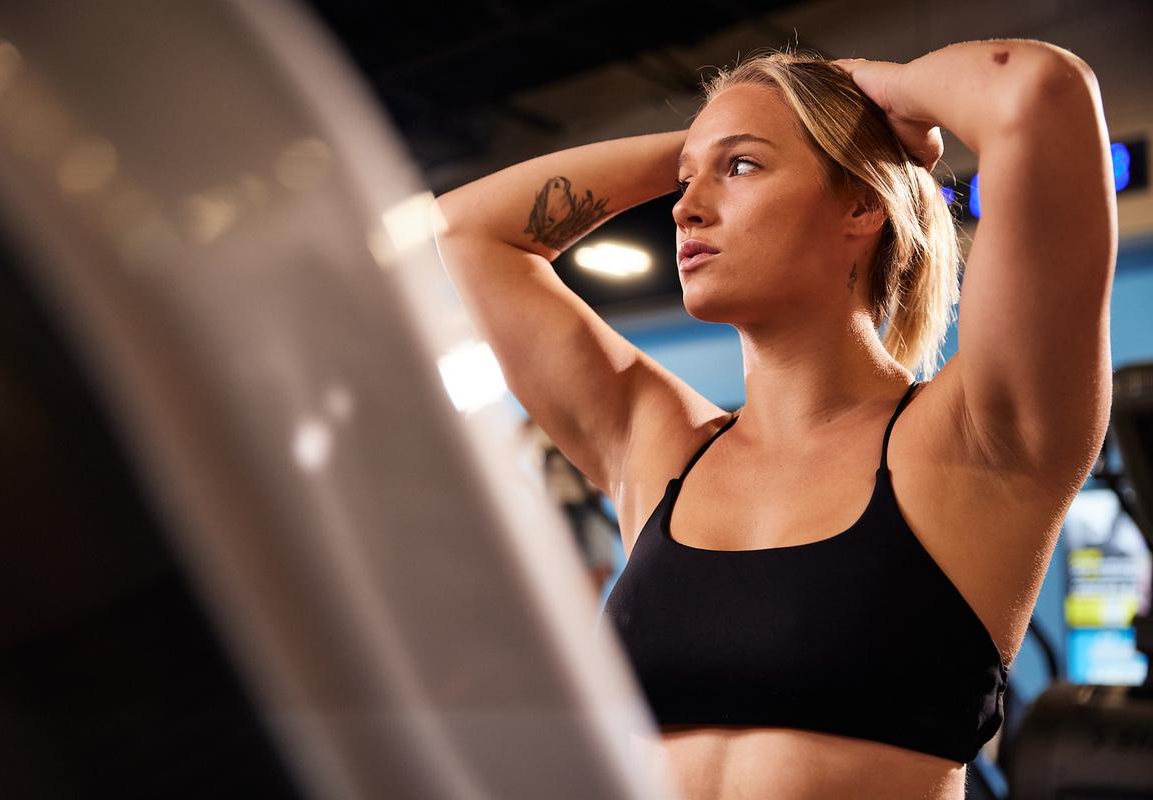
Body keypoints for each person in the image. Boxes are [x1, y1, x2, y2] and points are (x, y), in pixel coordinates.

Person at [432, 39, 1115, 800]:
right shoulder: (661, 450)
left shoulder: (973, 442)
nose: (686, 206)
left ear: (861, 203)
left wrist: (869, 96)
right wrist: (712, 146)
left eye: (743, 168)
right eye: (688, 181)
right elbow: (463, 231)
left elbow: (1038, 90)